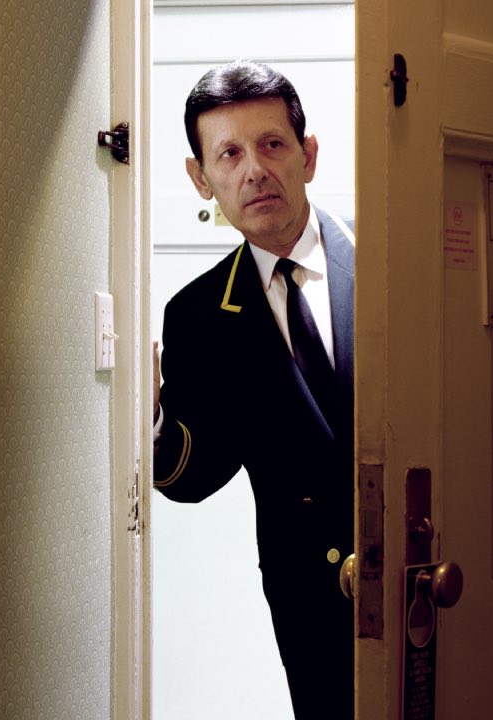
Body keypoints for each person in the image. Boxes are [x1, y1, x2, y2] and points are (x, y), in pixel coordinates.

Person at [152, 61, 355, 719]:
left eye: (272, 144)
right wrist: (149, 420)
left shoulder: (391, 261)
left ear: (308, 155)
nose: (254, 170)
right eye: (229, 154)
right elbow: (194, 475)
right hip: (309, 591)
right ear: (200, 178)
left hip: (425, 574)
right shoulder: (198, 314)